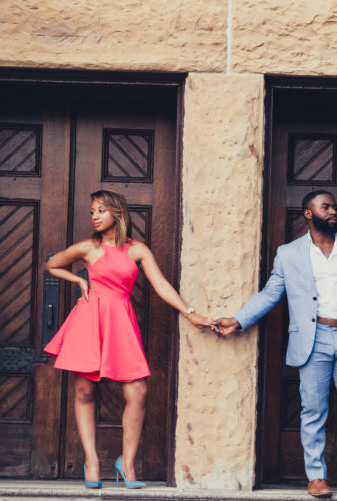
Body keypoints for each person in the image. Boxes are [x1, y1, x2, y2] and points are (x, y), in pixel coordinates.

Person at [214, 190, 337, 499]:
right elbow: (271, 293)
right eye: (325, 207)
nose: (333, 211)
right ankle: (316, 477)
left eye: (335, 207)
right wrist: (238, 320)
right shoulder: (289, 254)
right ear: (308, 213)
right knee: (313, 410)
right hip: (313, 340)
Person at [44, 189, 214, 489]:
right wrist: (79, 279)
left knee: (137, 392)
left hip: (120, 322)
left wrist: (190, 313)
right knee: (85, 392)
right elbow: (52, 264)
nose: (95, 216)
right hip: (89, 320)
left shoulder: (137, 250)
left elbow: (161, 284)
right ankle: (92, 462)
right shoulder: (87, 247)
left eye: (101, 211)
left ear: (117, 213)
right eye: (92, 211)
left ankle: (127, 463)